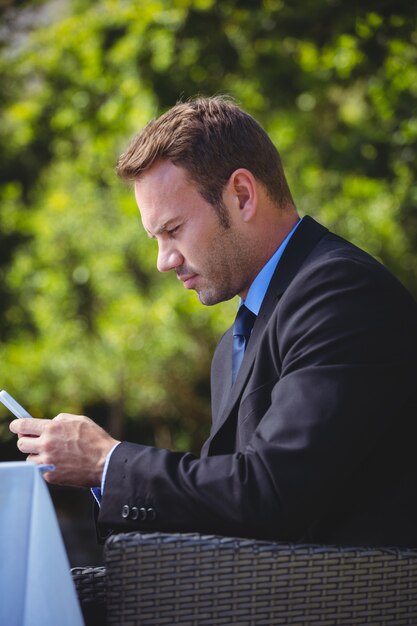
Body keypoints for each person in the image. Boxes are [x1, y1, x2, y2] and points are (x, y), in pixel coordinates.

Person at [10, 96, 417, 547]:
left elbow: (273, 492)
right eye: (155, 238)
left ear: (241, 195)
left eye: (173, 229)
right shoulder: (233, 346)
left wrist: (108, 461)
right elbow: (221, 503)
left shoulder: (340, 292)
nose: (164, 261)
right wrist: (99, 473)